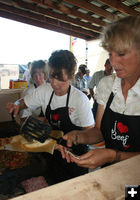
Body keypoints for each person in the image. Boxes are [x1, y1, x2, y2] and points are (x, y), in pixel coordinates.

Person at [61, 16, 140, 170]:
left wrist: (114, 155)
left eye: (121, 54)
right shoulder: (107, 85)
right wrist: (79, 136)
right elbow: (99, 132)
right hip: (110, 173)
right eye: (110, 54)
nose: (113, 62)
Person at [6, 50, 94, 184]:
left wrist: (75, 138)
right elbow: (24, 102)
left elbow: (91, 133)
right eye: (52, 77)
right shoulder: (44, 90)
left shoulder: (80, 99)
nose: (54, 83)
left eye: (61, 79)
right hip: (52, 149)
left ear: (70, 77)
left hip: (76, 155)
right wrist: (17, 105)